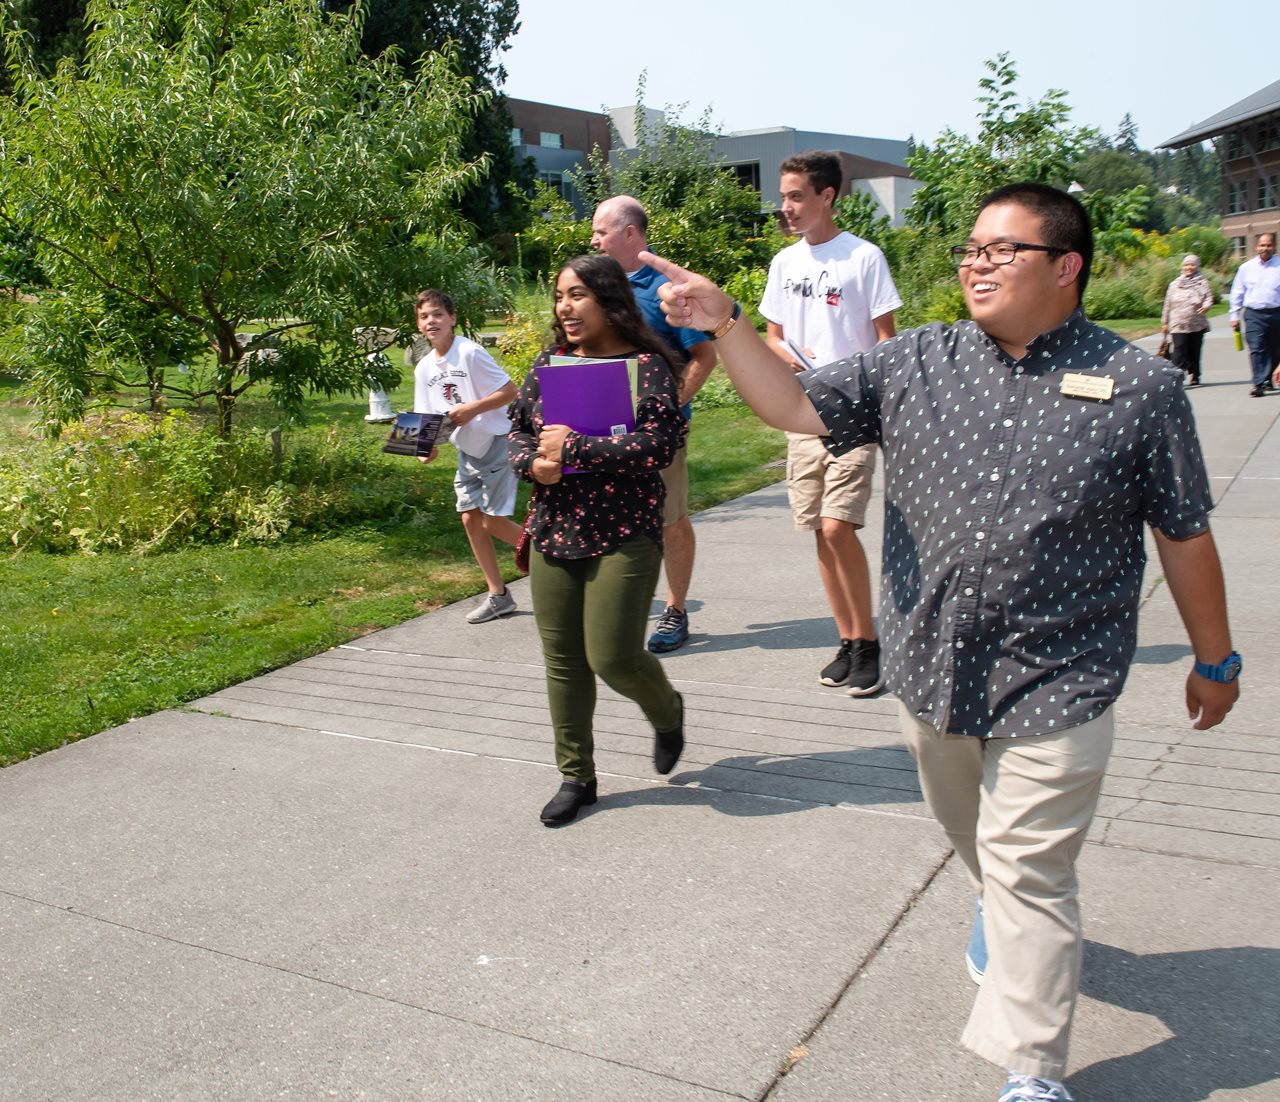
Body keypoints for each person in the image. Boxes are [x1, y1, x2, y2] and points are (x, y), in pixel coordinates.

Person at [640, 182, 1240, 1102]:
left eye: (1002, 250)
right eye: (970, 250)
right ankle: (993, 904)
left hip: (1063, 679)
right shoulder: (912, 364)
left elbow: (1185, 532)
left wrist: (1214, 659)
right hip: (935, 673)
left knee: (1033, 869)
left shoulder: (1141, 389)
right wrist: (725, 325)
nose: (975, 264)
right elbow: (796, 407)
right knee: (984, 849)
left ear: (1065, 267)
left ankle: (1032, 1071)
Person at [509, 254, 687, 825]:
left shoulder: (647, 366)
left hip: (624, 531)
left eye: (578, 294)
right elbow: (516, 435)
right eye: (560, 295)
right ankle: (576, 776)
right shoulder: (547, 364)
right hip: (553, 530)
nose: (565, 307)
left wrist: (576, 451)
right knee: (563, 661)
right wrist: (533, 466)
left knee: (612, 657)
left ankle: (667, 712)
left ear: (610, 300)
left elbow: (659, 447)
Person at [759, 152, 900, 697]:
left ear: (827, 196)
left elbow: (887, 340)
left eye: (796, 196)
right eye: (784, 196)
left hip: (854, 412)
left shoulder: (863, 258)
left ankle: (870, 645)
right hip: (801, 411)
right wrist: (783, 354)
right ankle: (847, 640)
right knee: (819, 529)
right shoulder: (784, 263)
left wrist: (888, 405)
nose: (787, 207)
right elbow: (772, 335)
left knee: (841, 526)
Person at [589, 195, 718, 653]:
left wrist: (670, 408)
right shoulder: (597, 288)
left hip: (659, 435)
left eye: (600, 231)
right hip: (604, 432)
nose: (593, 239)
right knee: (614, 520)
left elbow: (705, 356)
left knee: (669, 521)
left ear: (628, 233)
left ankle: (675, 611)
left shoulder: (667, 288)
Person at [411, 288, 524, 624]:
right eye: (424, 316)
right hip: (467, 451)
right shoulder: (424, 368)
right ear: (418, 325)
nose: (431, 321)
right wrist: (423, 448)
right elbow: (426, 420)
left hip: (496, 441)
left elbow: (509, 391)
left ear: (452, 319)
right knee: (470, 519)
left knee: (493, 521)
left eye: (437, 314)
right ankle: (498, 595)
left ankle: (560, 562)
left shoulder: (470, 353)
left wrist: (472, 409)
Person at [1231, 231, 1280, 396]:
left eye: (1268, 245)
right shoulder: (1246, 268)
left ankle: (1267, 378)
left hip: (1276, 314)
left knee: (1275, 350)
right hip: (1254, 315)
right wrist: (1234, 316)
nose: (1265, 248)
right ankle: (1258, 383)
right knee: (1256, 347)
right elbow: (1237, 292)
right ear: (1256, 247)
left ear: (1274, 246)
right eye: (1262, 245)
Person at [1160, 254, 1213, 385]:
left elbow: (1209, 298)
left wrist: (1206, 306)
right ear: (1182, 267)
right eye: (1186, 265)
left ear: (1197, 266)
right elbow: (1168, 303)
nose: (1189, 267)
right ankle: (1176, 376)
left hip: (1196, 323)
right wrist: (1164, 322)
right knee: (1179, 350)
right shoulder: (1175, 284)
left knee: (1194, 351)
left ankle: (1195, 374)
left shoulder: (1202, 282)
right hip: (1178, 323)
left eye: (1192, 264)